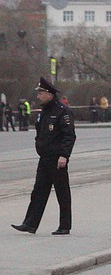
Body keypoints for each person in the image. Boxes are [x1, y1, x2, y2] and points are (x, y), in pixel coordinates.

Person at [11, 78, 75, 235]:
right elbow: (40, 133)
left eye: (41, 93)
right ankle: (30, 224)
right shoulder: (44, 112)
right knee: (38, 191)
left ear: (49, 94)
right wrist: (38, 146)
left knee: (62, 193)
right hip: (45, 158)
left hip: (57, 159)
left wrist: (64, 155)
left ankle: (64, 226)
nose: (38, 96)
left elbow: (69, 136)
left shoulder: (63, 112)